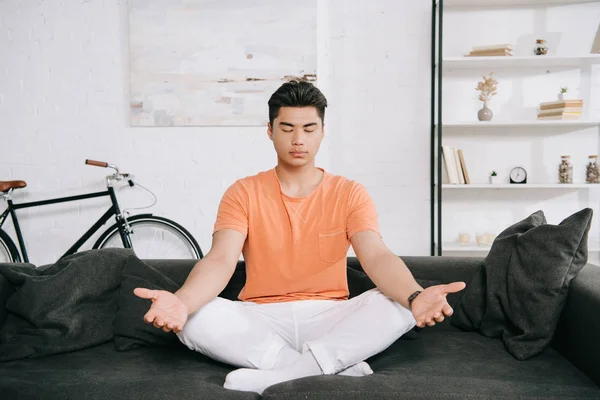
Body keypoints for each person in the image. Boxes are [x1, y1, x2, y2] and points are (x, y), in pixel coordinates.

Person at [133, 80, 466, 395]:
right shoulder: (243, 192)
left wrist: (414, 296)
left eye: (309, 129)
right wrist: (182, 302)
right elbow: (220, 259)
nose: (298, 140)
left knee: (399, 307)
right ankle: (322, 368)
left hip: (331, 315)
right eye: (287, 128)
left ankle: (283, 375)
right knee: (193, 317)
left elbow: (376, 256)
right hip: (260, 318)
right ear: (270, 131)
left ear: (322, 132)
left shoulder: (350, 193)